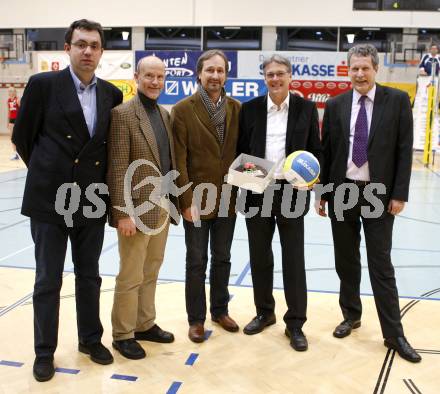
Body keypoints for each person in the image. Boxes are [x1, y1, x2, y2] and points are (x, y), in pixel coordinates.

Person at [12, 19, 123, 382]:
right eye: (80, 44)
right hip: (50, 201)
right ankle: (44, 351)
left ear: (102, 51)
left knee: (90, 276)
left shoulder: (112, 94)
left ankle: (91, 339)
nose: (87, 51)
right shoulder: (43, 85)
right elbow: (24, 139)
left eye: (94, 45)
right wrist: (50, 175)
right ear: (68, 48)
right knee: (48, 280)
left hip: (91, 201)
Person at [317, 43, 421, 363]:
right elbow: (328, 151)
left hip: (379, 193)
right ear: (347, 70)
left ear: (376, 69)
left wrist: (400, 193)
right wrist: (322, 192)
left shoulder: (398, 101)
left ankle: (394, 333)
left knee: (380, 264)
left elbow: (405, 149)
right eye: (354, 68)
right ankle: (351, 315)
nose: (359, 74)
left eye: (365, 68)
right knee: (346, 261)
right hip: (342, 191)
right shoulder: (335, 105)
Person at [238, 54, 321, 351]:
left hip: (292, 193)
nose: (275, 79)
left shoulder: (306, 109)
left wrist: (311, 185)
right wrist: (253, 180)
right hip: (256, 191)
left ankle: (296, 323)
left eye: (280, 74)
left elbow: (315, 153)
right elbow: (241, 153)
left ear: (290, 76)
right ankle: (265, 312)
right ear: (264, 77)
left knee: (293, 260)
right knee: (260, 257)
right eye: (270, 74)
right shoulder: (249, 110)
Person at [107, 56, 178, 360]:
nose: (155, 82)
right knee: (131, 274)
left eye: (160, 77)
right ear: (137, 77)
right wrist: (122, 213)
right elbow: (118, 166)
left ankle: (144, 323)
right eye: (149, 76)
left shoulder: (164, 114)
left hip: (161, 206)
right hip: (135, 212)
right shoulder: (123, 114)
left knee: (151, 270)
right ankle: (123, 333)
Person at [171, 50, 240, 343]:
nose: (215, 76)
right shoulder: (183, 109)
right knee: (196, 260)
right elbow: (178, 160)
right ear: (199, 73)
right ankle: (196, 319)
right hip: (197, 199)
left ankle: (220, 310)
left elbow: (243, 155)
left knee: (222, 258)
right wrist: (185, 201)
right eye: (210, 70)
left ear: (226, 74)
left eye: (220, 71)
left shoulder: (237, 108)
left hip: (227, 198)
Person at [7, 86, 20, 160]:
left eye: (11, 91)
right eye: (9, 91)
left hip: (17, 120)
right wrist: (8, 122)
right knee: (12, 138)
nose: (10, 93)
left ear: (14, 92)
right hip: (12, 121)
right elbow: (9, 112)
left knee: (18, 137)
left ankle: (20, 152)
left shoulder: (17, 100)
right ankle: (15, 154)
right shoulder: (8, 100)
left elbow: (22, 111)